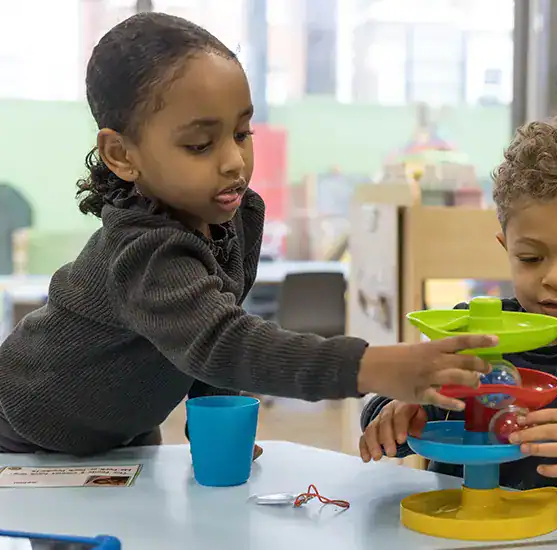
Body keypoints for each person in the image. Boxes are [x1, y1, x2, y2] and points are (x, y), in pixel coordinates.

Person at [0, 12, 497, 456]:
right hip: (25, 431)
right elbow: (222, 342)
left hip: (122, 429)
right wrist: (373, 366)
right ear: (121, 155)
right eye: (199, 145)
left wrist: (213, 423)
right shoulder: (143, 249)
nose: (235, 161)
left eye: (242, 134)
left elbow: (213, 319)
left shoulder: (237, 217)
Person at [360, 112, 557, 518]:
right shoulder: (471, 333)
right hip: (461, 536)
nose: (555, 278)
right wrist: (397, 412)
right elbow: (389, 404)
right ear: (505, 246)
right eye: (531, 257)